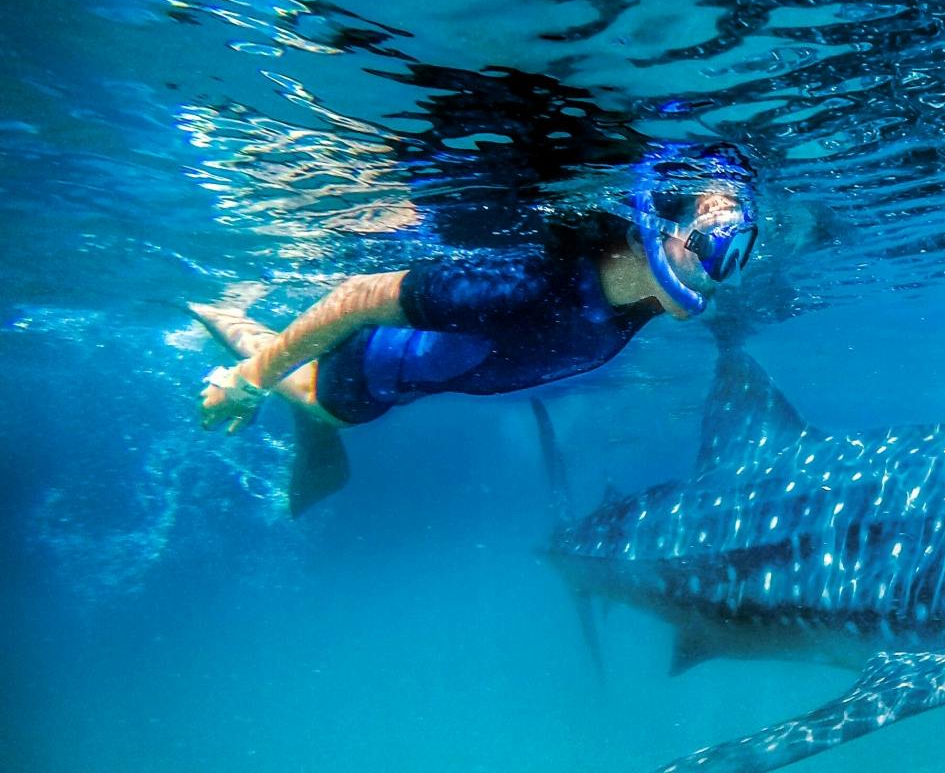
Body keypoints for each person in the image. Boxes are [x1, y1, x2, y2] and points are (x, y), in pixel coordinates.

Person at [189, 142, 759, 514]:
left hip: (415, 374)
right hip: (367, 374)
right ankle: (220, 314)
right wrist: (248, 384)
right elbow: (352, 298)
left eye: (742, 250)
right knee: (317, 403)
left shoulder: (649, 298)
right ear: (642, 235)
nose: (724, 275)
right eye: (716, 247)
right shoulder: (525, 283)